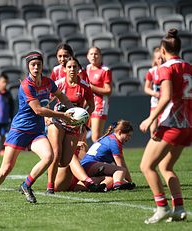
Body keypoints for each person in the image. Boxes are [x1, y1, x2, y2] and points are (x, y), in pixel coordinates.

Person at [0, 51, 75, 206]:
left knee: (48, 157)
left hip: (36, 132)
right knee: (6, 169)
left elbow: (62, 96)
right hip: (19, 131)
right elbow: (38, 110)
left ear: (42, 66)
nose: (36, 67)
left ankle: (26, 185)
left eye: (39, 64)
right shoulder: (26, 85)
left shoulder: (48, 82)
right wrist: (63, 115)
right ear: (28, 67)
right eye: (33, 65)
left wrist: (73, 111)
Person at [139, 28, 192, 224]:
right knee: (166, 166)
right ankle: (179, 208)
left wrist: (150, 118)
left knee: (146, 166)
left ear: (162, 51)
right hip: (187, 125)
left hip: (172, 123)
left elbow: (167, 96)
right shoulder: (188, 66)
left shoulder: (165, 68)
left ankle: (162, 207)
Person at [46, 56, 96, 194]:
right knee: (56, 153)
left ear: (79, 69)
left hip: (74, 125)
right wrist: (48, 117)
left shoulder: (85, 86)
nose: (72, 69)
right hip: (57, 121)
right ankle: (50, 186)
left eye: (75, 67)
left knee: (65, 160)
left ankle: (59, 178)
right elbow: (46, 101)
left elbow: (91, 106)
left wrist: (83, 119)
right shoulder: (59, 84)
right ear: (64, 69)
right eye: (69, 67)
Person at [80, 120, 135, 191]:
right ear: (120, 132)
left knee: (112, 178)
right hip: (91, 165)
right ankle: (118, 185)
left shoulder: (109, 137)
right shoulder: (114, 142)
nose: (129, 138)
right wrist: (129, 180)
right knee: (121, 170)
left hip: (86, 166)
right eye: (128, 135)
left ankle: (101, 187)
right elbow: (121, 164)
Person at [86, 47, 112, 142]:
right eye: (91, 54)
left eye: (96, 54)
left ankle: (105, 155)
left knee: (96, 137)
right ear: (87, 56)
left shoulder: (105, 70)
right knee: (81, 135)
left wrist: (92, 88)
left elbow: (108, 90)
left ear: (100, 56)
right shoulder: (88, 68)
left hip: (100, 104)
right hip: (88, 104)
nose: (94, 56)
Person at [144, 48, 163, 138]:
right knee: (153, 129)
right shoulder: (152, 71)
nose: (161, 60)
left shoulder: (169, 69)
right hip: (155, 102)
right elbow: (146, 88)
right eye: (158, 58)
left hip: (167, 103)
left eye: (162, 58)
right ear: (155, 59)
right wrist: (155, 93)